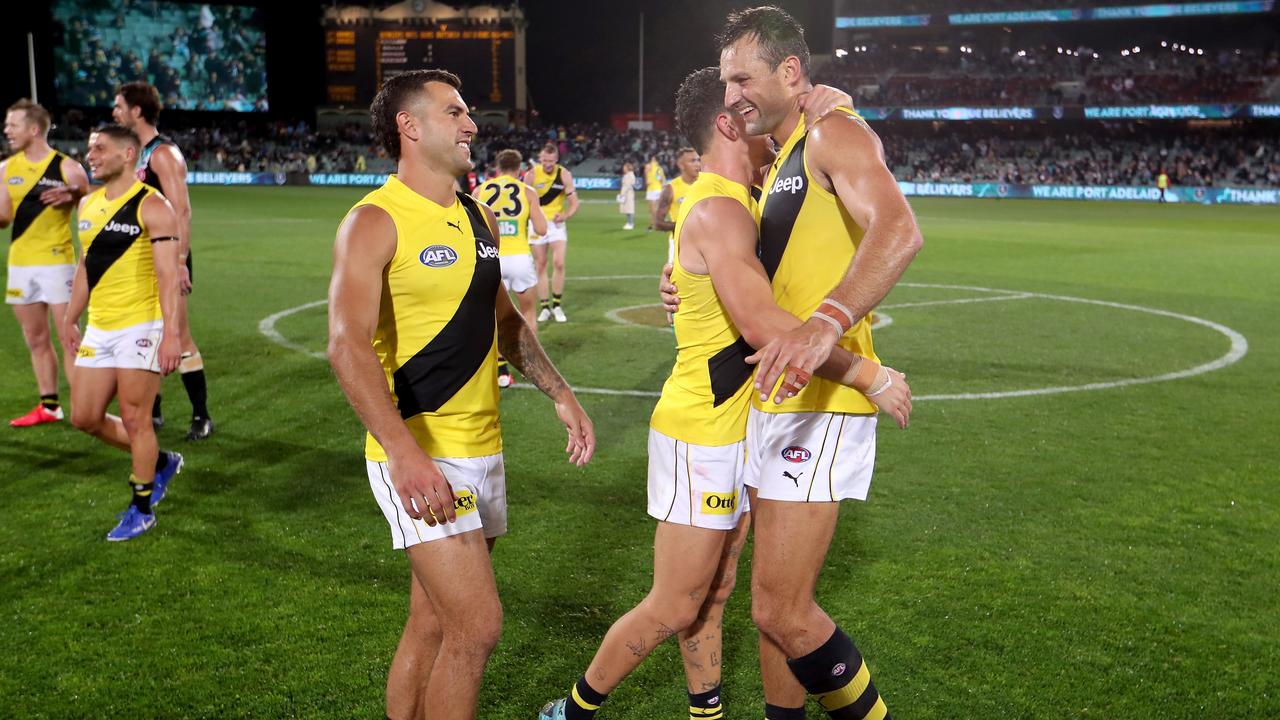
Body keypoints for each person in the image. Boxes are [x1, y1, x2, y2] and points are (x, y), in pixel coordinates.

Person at [540, 68, 911, 720]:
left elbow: (814, 180)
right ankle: (571, 711)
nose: (769, 121)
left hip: (745, 426)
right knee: (680, 602)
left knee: (726, 594)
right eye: (750, 108)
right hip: (702, 430)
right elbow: (764, 328)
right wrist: (866, 374)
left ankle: (705, 712)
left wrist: (838, 107)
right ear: (729, 123)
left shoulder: (749, 199)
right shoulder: (718, 207)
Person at [327, 69, 595, 720]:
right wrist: (403, 452)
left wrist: (559, 391)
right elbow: (346, 344)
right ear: (410, 127)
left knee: (433, 625)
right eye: (455, 112)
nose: (472, 124)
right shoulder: (373, 221)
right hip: (421, 452)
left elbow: (502, 318)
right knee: (477, 628)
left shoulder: (476, 213)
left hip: (481, 447)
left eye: (468, 112)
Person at [714, 8, 924, 720]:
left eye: (742, 77)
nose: (730, 93)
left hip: (823, 406)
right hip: (782, 397)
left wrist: (826, 323)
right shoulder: (786, 155)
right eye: (723, 81)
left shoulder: (832, 132)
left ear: (791, 72)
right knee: (771, 610)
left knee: (781, 608)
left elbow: (900, 228)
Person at [60, 125, 185, 541]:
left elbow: (169, 276)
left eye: (100, 148)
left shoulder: (153, 206)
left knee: (136, 418)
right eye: (89, 148)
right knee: (84, 416)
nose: (90, 155)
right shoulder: (89, 205)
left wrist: (172, 334)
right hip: (101, 325)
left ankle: (141, 506)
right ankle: (162, 462)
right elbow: (85, 268)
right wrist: (70, 316)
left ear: (128, 153)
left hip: (142, 325)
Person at [112, 81, 215, 440]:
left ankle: (201, 415)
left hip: (168, 257)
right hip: (137, 257)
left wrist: (181, 259)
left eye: (119, 106)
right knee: (144, 333)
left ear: (137, 111)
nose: (114, 112)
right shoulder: (131, 153)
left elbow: (182, 210)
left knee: (180, 336)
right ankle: (153, 412)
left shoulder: (163, 154)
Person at [2, 98, 89, 427]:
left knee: (69, 337)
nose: (7, 130)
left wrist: (74, 192)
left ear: (34, 129)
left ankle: (85, 406)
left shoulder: (66, 166)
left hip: (57, 263)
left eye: (13, 125)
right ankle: (50, 406)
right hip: (21, 264)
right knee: (35, 338)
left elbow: (88, 195)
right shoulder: (5, 169)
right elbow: (3, 218)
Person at [474, 148, 548, 387]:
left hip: (490, 257)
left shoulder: (479, 190)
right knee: (527, 312)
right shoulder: (527, 191)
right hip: (518, 258)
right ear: (519, 170)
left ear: (497, 167)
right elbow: (542, 229)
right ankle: (529, 365)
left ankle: (501, 369)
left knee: (491, 316)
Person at [523, 143, 578, 323]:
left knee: (559, 263)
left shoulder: (564, 174)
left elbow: (575, 202)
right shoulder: (531, 175)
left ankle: (557, 305)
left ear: (556, 160)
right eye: (545, 160)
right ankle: (545, 307)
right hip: (537, 224)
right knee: (540, 265)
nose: (548, 164)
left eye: (551, 161)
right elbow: (523, 201)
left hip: (556, 225)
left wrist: (565, 215)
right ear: (540, 159)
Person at [653, 147, 701, 261]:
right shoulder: (671, 188)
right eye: (692, 161)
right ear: (681, 164)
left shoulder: (709, 185)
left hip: (706, 244)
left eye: (698, 160)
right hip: (680, 245)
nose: (697, 164)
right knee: (675, 278)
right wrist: (683, 226)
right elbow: (658, 223)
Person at [643, 154, 666, 230]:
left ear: (655, 160)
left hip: (654, 190)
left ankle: (654, 224)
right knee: (652, 209)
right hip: (653, 189)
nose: (652, 161)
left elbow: (660, 179)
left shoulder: (655, 168)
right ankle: (655, 223)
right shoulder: (656, 168)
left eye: (653, 159)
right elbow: (661, 179)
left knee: (653, 208)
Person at [618, 161, 637, 230]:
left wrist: (622, 194)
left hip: (628, 194)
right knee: (627, 209)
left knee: (629, 209)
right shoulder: (629, 175)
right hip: (628, 193)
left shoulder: (629, 175)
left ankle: (630, 223)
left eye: (624, 168)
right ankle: (629, 222)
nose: (623, 169)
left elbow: (627, 185)